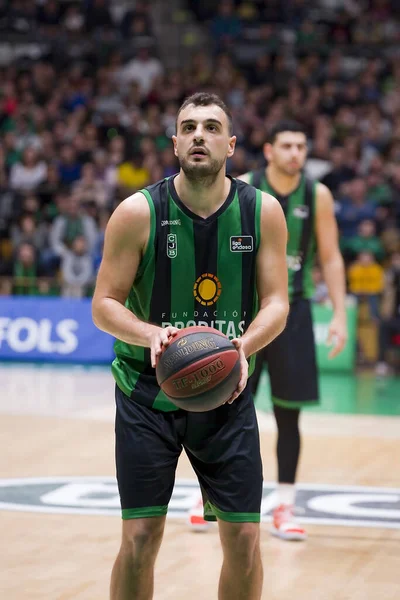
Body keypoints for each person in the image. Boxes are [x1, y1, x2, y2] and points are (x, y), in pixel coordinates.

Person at [92, 92, 289, 600]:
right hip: (146, 397)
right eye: (189, 126)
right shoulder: (137, 212)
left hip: (226, 395)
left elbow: (276, 304)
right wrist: (151, 333)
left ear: (231, 144)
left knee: (245, 540)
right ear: (175, 142)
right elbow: (104, 304)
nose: (199, 134)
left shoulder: (262, 212)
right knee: (139, 538)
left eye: (212, 126)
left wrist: (241, 347)